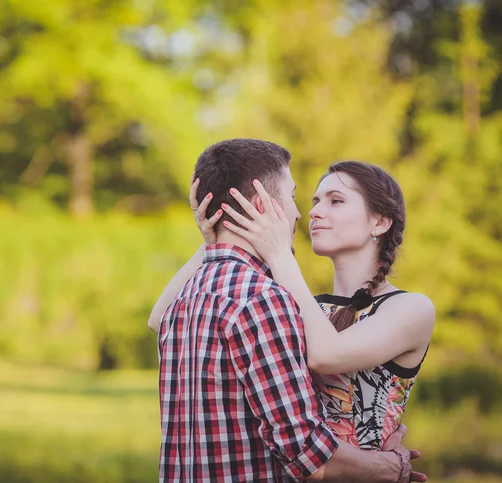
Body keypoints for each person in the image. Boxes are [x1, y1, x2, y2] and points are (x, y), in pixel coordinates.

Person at [152, 138, 427, 482]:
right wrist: (215, 236)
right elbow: (164, 318)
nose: (310, 211)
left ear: (380, 223)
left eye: (336, 201)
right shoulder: (301, 305)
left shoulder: (411, 307)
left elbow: (327, 354)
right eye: (311, 200)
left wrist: (277, 254)